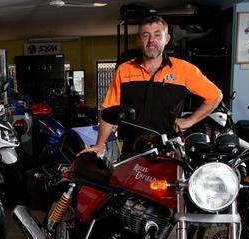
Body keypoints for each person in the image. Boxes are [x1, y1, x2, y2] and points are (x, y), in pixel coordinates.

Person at [83, 15, 222, 156]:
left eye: (157, 35)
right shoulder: (124, 70)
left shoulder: (184, 69)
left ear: (166, 39)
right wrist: (99, 145)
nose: (151, 41)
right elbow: (109, 112)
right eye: (146, 35)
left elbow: (215, 96)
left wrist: (190, 121)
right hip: (132, 149)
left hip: (169, 149)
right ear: (139, 40)